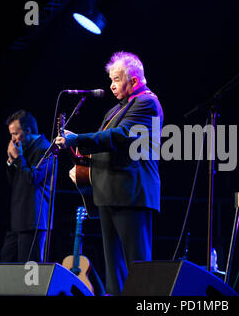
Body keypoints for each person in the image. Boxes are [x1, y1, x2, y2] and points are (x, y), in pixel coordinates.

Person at [56, 51, 163, 295]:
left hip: (131, 193)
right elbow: (104, 147)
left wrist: (77, 140)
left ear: (134, 81)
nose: (111, 85)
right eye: (111, 80)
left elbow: (120, 137)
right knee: (113, 269)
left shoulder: (147, 102)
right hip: (109, 193)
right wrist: (81, 164)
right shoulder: (116, 109)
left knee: (137, 266)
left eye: (116, 79)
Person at [0, 110, 52, 263]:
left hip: (33, 220)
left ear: (28, 130)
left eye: (16, 133)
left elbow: (33, 179)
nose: (13, 139)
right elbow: (14, 183)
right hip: (17, 220)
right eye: (11, 134)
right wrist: (11, 161)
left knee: (30, 271)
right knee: (6, 261)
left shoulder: (45, 149)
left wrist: (19, 158)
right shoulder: (24, 148)